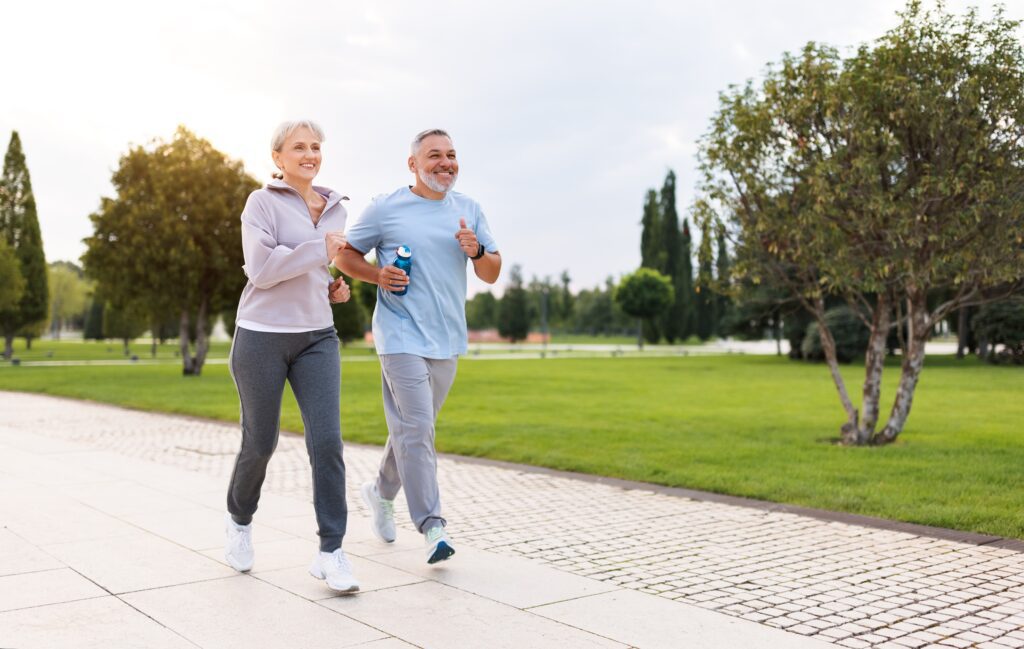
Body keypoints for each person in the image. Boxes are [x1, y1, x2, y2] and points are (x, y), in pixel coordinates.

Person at [336, 128, 501, 564]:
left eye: (451, 155)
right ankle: (433, 526)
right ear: (413, 164)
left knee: (412, 430)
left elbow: (491, 273)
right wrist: (377, 276)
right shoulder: (387, 208)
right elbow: (345, 255)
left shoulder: (469, 210)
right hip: (399, 334)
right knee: (420, 428)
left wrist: (478, 249)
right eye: (434, 156)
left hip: (446, 338)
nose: (445, 163)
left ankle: (380, 492)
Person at [224, 119, 359, 593]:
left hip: (317, 337)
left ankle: (331, 552)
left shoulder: (337, 209)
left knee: (327, 443)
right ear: (278, 158)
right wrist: (317, 250)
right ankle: (239, 519)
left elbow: (316, 267)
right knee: (260, 443)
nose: (309, 154)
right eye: (298, 147)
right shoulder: (261, 202)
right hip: (261, 336)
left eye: (316, 146)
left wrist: (332, 286)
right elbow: (261, 270)